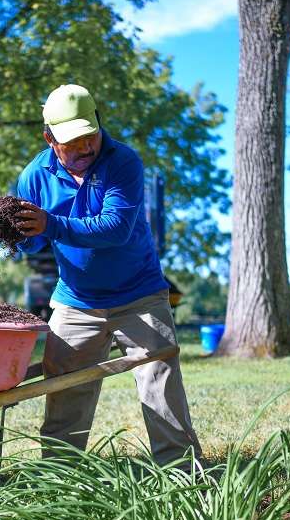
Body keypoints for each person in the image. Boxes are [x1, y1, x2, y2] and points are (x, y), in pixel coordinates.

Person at [14, 84, 201, 467]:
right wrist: (20, 233)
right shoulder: (34, 177)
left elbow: (114, 228)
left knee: (159, 384)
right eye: (72, 142)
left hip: (139, 296)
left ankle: (183, 474)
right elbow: (34, 245)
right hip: (77, 302)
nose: (85, 149)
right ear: (49, 137)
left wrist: (50, 223)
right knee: (65, 391)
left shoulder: (123, 162)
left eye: (90, 136)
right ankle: (60, 478)